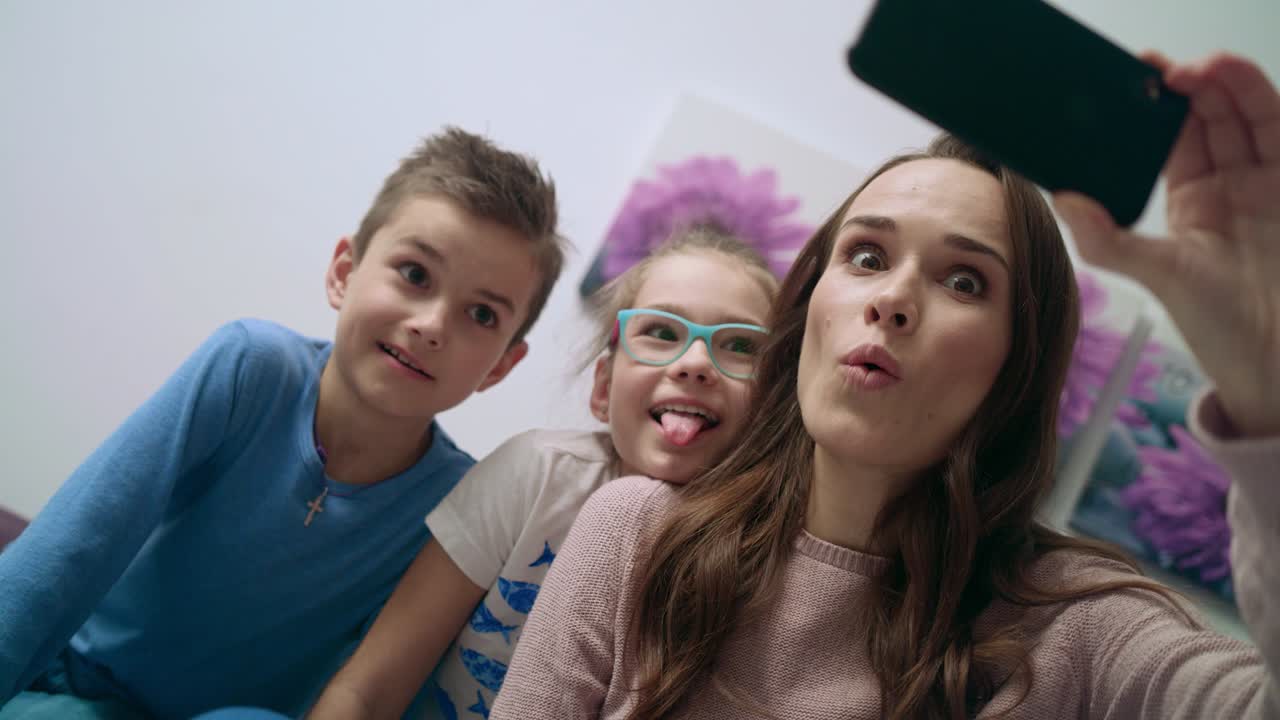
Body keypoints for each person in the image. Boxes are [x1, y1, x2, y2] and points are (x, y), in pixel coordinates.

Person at [491, 53, 1280, 719]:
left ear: (1019, 363)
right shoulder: (637, 537)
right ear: (807, 311)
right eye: (866, 257)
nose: (892, 299)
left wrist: (1263, 376)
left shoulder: (1079, 630)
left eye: (965, 281)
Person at [0, 127, 567, 719]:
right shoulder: (251, 368)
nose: (431, 325)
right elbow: (71, 548)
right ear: (343, 273)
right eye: (415, 274)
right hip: (73, 690)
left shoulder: (461, 502)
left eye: (480, 314)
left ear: (501, 365)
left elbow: (386, 685)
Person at [305, 227, 779, 719]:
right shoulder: (537, 475)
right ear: (603, 388)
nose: (696, 363)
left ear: (773, 409)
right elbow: (369, 689)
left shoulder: (766, 563)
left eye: (741, 346)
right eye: (661, 333)